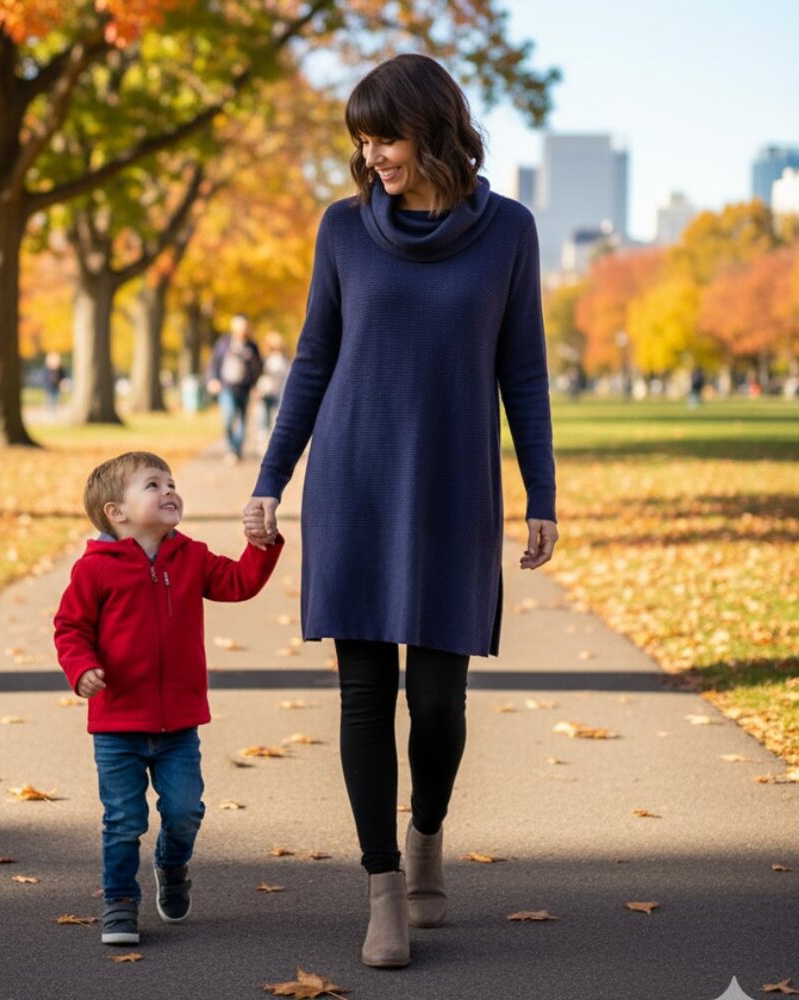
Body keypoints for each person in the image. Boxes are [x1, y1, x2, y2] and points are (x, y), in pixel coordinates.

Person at [242, 54, 559, 969]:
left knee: (439, 701)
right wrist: (272, 479)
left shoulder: (510, 233)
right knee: (363, 694)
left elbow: (523, 370)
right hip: (355, 480)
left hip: (454, 486)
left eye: (384, 136)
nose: (371, 154)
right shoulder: (342, 230)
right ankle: (383, 886)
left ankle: (427, 833)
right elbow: (311, 361)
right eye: (362, 140)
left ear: (434, 128)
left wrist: (541, 488)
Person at [54, 451, 284, 947]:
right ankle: (119, 901)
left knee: (185, 811)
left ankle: (172, 863)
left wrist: (260, 547)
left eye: (171, 482)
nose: (169, 491)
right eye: (153, 485)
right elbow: (70, 627)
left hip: (179, 724)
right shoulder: (95, 570)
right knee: (123, 820)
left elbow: (239, 583)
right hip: (118, 724)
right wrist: (81, 669)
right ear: (116, 512)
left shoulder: (191, 556)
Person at [206, 314, 263, 462]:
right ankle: (231, 448)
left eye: (243, 327)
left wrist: (256, 385)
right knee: (229, 416)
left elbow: (258, 368)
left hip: (244, 387)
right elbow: (214, 362)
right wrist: (212, 379)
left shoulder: (252, 346)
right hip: (227, 387)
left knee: (243, 419)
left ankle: (237, 450)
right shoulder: (224, 343)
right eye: (238, 327)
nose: (241, 330)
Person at [256, 331, 292, 448]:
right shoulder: (266, 359)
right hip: (268, 392)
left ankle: (271, 445)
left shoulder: (282, 360)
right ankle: (265, 444)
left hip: (277, 392)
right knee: (265, 420)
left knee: (273, 420)